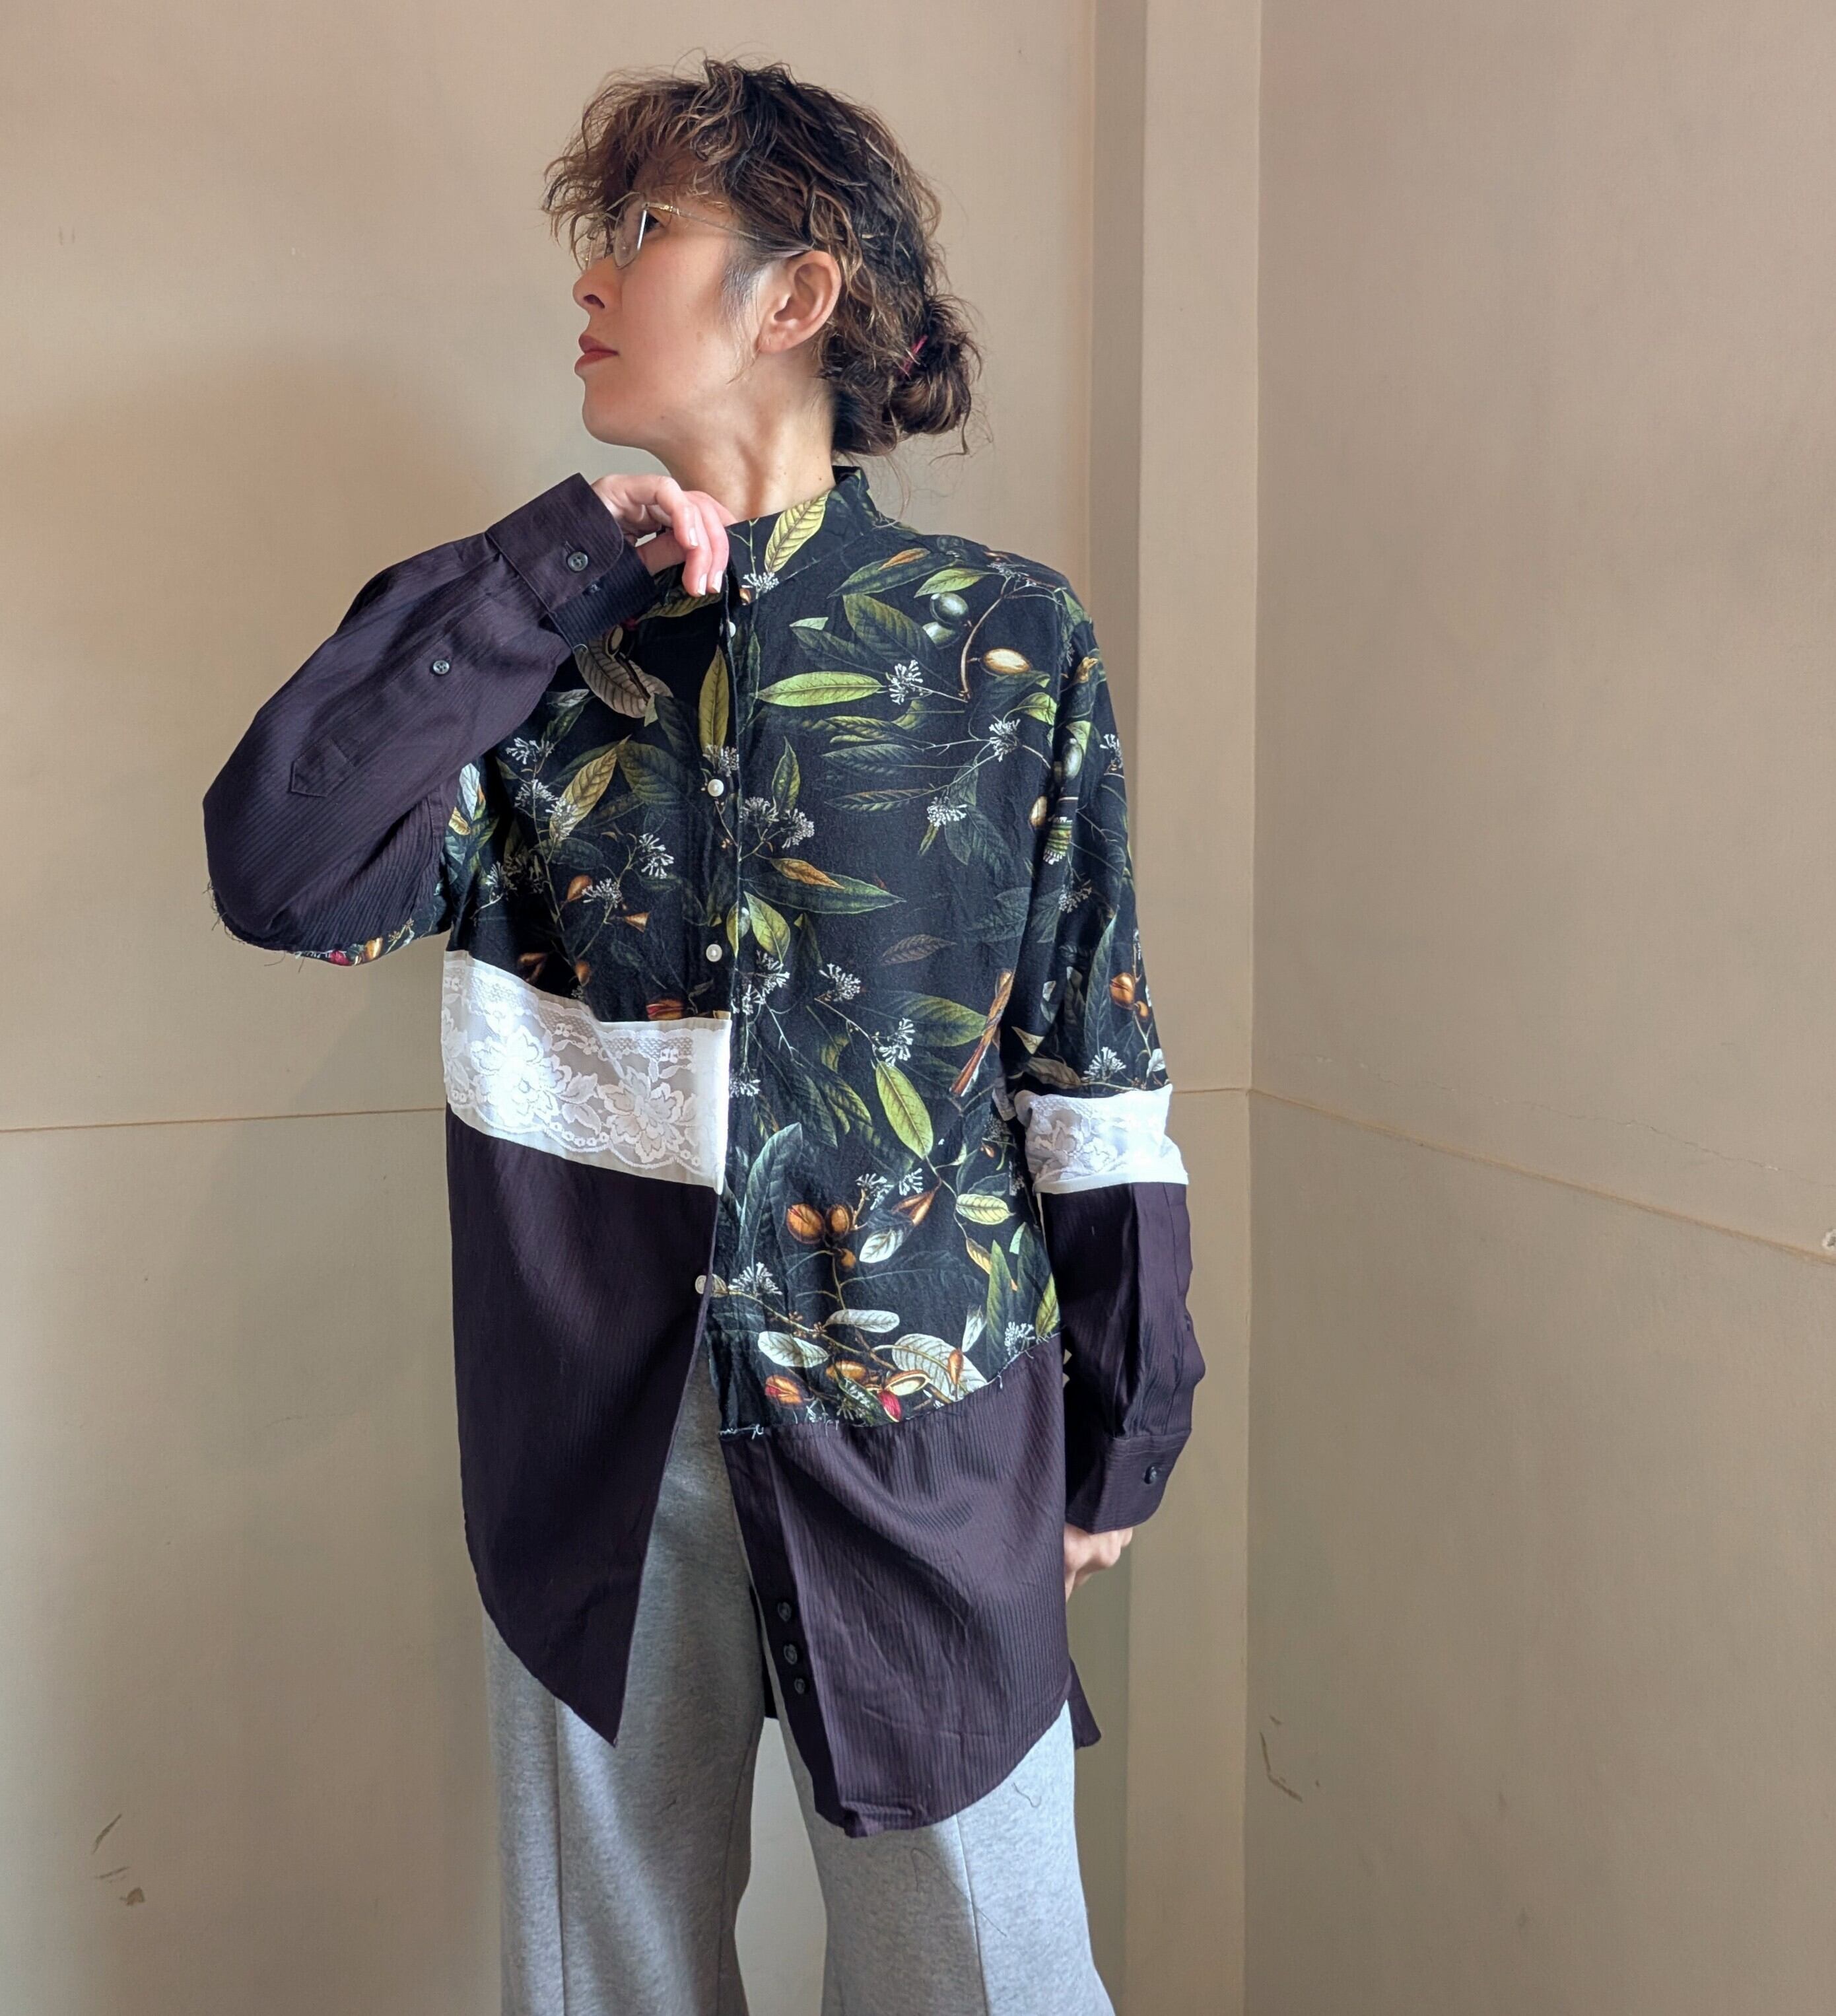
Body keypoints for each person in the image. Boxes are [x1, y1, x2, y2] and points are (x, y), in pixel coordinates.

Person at [201, 52, 1203, 2016]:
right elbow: (284, 867)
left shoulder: (1003, 639)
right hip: (597, 1429)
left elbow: (1092, 1055)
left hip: (927, 1422)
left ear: (796, 294)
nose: (589, 274)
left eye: (643, 227)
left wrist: (1123, 1426)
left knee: (986, 1976)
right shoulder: (534, 657)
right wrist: (545, 566)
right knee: (604, 1985)